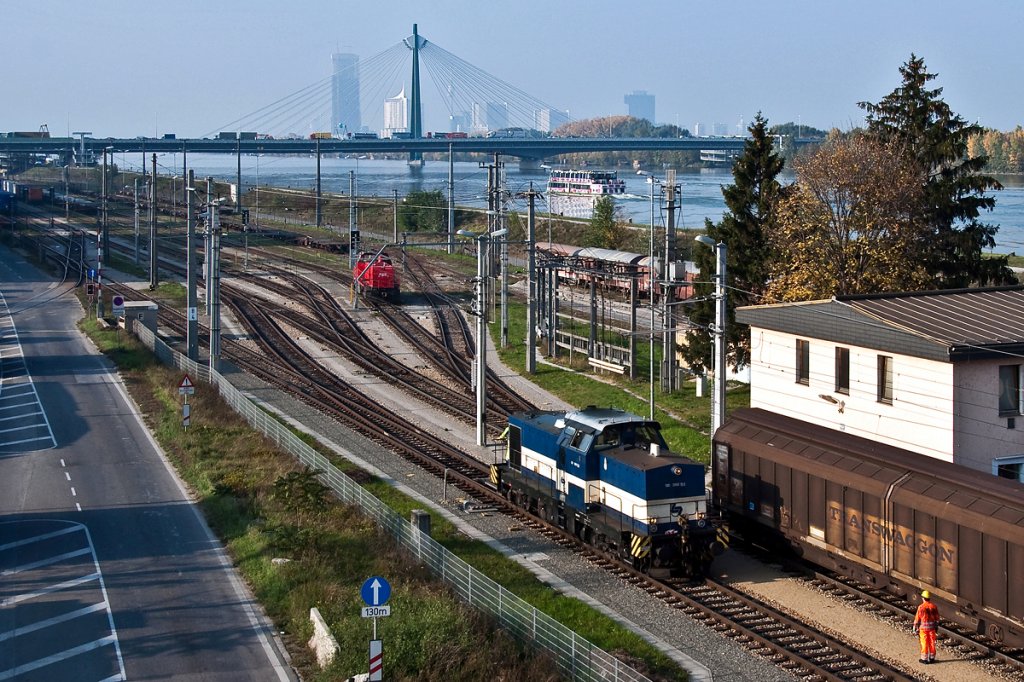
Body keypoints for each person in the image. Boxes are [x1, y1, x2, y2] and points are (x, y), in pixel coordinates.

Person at [913, 590, 940, 663]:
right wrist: (936, 626)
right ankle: (932, 658)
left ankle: (924, 659)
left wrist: (915, 628)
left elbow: (917, 619)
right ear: (929, 598)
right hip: (932, 628)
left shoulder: (921, 607)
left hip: (923, 629)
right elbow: (937, 618)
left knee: (924, 642)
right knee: (932, 642)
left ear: (923, 598)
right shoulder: (934, 607)